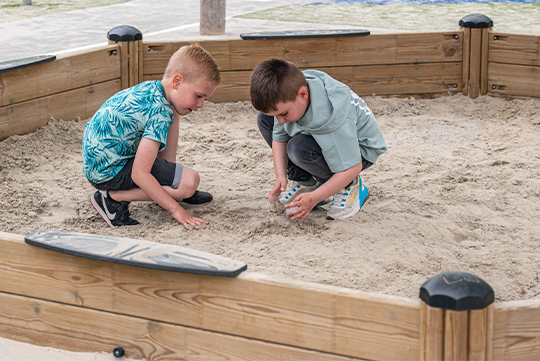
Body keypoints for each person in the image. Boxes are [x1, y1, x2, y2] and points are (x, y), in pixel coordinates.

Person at [82, 44, 220, 229]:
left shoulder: (156, 91)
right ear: (177, 81)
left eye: (205, 99)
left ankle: (168, 189)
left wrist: (169, 178)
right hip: (108, 170)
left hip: (98, 161)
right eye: (198, 96)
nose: (201, 104)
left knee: (174, 113)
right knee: (189, 182)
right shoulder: (159, 112)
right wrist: (175, 209)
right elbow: (140, 174)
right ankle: (112, 198)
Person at [250, 58, 386, 221]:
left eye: (284, 113)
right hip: (318, 133)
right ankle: (306, 183)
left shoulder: (330, 117)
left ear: (302, 94)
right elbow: (279, 137)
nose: (280, 120)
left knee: (298, 149)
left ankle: (350, 187)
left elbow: (353, 166)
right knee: (264, 119)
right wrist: (281, 175)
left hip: (359, 152)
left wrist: (314, 198)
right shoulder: (290, 92)